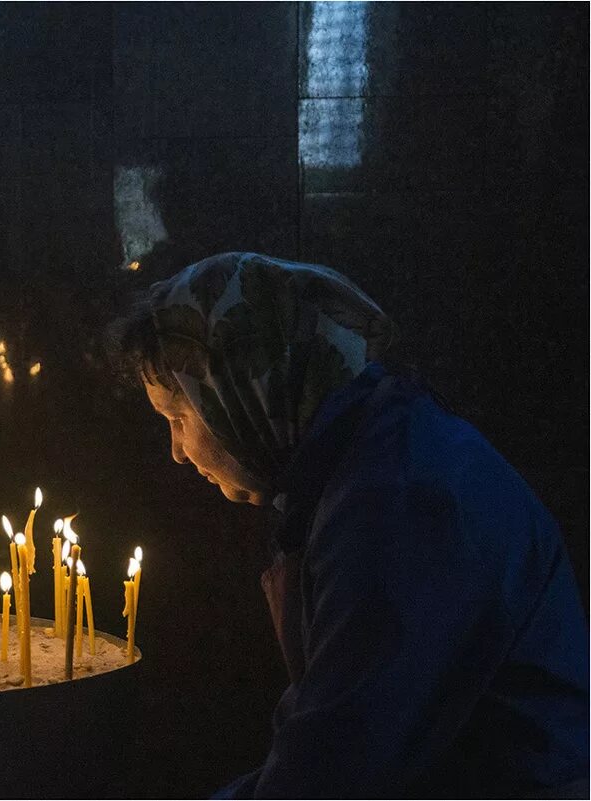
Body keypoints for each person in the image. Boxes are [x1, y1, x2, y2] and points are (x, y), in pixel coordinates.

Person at [110, 252, 589, 797]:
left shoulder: (403, 501)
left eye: (179, 418)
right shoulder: (364, 461)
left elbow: (332, 766)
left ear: (242, 389)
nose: (177, 453)